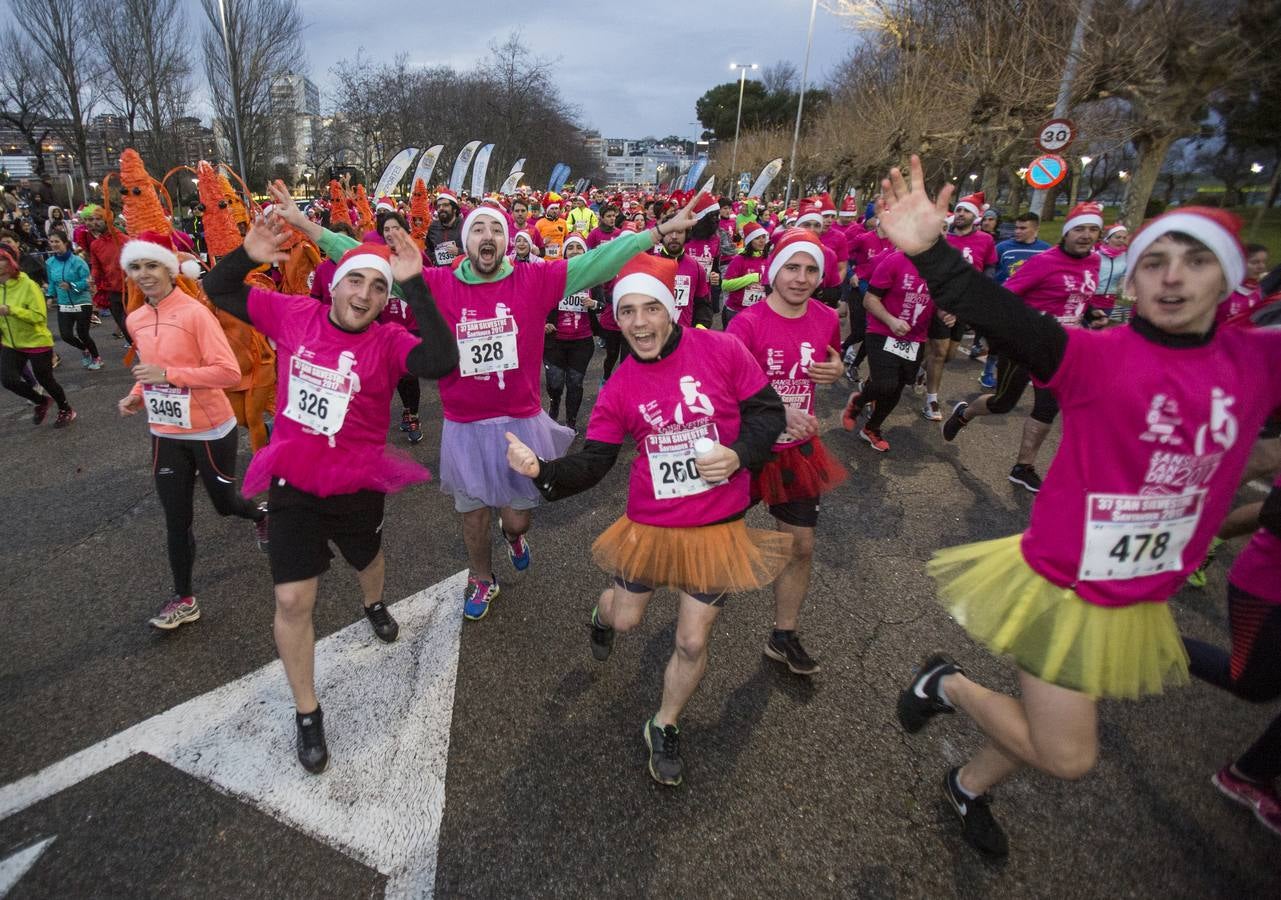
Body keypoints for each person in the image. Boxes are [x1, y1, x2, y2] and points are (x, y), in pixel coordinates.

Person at [881, 155, 1281, 859]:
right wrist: (927, 250)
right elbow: (995, 309)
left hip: (1140, 594)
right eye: (1155, 260)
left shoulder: (1258, 362)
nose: (1172, 276)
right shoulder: (1095, 357)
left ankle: (967, 786)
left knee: (1045, 724)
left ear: (1228, 278)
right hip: (1066, 586)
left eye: (1194, 260)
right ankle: (943, 684)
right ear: (1128, 279)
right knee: (1066, 754)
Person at [284, 182, 707, 620]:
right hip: (465, 425)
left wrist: (656, 232)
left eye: (496, 230)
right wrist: (305, 225)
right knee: (473, 516)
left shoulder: (536, 279)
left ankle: (515, 535)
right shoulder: (436, 283)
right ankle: (482, 579)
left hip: (520, 423)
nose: (487, 236)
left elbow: (598, 262)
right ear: (466, 241)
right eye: (478, 228)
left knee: (517, 517)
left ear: (506, 242)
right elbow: (364, 260)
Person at [505, 252, 790, 785]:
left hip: (716, 526)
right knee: (627, 619)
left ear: (671, 311)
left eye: (650, 309)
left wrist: (739, 454)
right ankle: (602, 615)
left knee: (691, 640)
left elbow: (767, 412)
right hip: (651, 527)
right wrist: (541, 471)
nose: (639, 323)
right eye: (628, 311)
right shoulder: (619, 387)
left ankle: (665, 723)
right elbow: (594, 462)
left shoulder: (722, 349)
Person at [202, 212, 457, 773]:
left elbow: (442, 361)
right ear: (334, 283)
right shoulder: (295, 314)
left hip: (358, 482)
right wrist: (247, 253)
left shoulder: (389, 341)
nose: (363, 294)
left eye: (377, 286)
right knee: (293, 599)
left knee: (366, 558)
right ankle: (308, 712)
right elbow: (217, 288)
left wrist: (414, 284)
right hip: (293, 479)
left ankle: (373, 601)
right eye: (355, 281)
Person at [116, 233, 265, 630]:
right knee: (175, 518)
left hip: (211, 428)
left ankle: (261, 514)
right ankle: (183, 597)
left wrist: (169, 376)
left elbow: (228, 372)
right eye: (135, 267)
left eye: (151, 266)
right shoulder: (135, 318)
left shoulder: (196, 313)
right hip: (165, 431)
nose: (144, 275)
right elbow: (151, 366)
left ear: (168, 268)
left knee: (224, 504)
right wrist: (137, 394)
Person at [726, 229, 846, 673]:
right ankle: (694, 620)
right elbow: (724, 390)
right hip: (748, 449)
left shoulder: (826, 318)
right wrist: (773, 416)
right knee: (717, 540)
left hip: (797, 450)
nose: (801, 278)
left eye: (811, 269)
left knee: (801, 546)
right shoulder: (747, 324)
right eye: (792, 267)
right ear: (774, 270)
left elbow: (829, 362)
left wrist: (835, 371)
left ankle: (784, 635)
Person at [940, 202, 1106, 493]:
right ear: (1066, 232)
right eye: (1079, 228)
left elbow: (1080, 297)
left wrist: (1091, 313)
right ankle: (964, 413)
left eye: (1093, 229)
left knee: (1047, 406)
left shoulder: (1094, 262)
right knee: (1002, 403)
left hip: (1059, 351)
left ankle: (1023, 467)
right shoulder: (1045, 262)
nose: (1086, 235)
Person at [1182, 476, 1281, 838]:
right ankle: (1149, 643)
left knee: (1258, 687)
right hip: (1270, 589)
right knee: (1251, 684)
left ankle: (1250, 773)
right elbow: (1275, 512)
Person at [841, 247, 940, 452]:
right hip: (882, 331)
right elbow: (870, 299)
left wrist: (948, 313)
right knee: (886, 383)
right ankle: (859, 401)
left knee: (896, 388)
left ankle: (871, 429)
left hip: (915, 338)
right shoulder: (895, 260)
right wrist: (891, 320)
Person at [923, 192, 996, 421]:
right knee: (939, 352)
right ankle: (931, 400)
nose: (961, 214)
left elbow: (990, 268)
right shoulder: (943, 238)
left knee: (950, 356)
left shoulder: (985, 240)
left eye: (966, 211)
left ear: (974, 216)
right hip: (941, 303)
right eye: (960, 210)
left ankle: (919, 367)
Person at [0, 243, 74, 425]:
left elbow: (39, 316)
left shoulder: (28, 285)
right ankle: (41, 401)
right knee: (8, 380)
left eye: (2, 260)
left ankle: (65, 409)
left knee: (45, 379)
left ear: (11, 262)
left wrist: (11, 310)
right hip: (12, 342)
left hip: (36, 342)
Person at [985, 212, 1053, 388]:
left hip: (1032, 306)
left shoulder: (1046, 250)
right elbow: (991, 270)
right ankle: (988, 371)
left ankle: (1020, 373)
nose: (1017, 231)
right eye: (1016, 227)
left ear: (1036, 229)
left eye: (1023, 228)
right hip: (1005, 302)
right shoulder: (1002, 247)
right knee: (1000, 341)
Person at [543, 233, 596, 430]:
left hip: (581, 341)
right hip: (554, 340)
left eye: (578, 248)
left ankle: (571, 422)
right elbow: (538, 302)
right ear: (565, 253)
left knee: (575, 383)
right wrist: (542, 323)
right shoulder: (554, 275)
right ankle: (554, 403)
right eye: (570, 248)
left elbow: (604, 304)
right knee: (555, 384)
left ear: (584, 251)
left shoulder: (593, 276)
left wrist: (594, 304)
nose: (575, 252)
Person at [45, 230, 102, 370]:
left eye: (57, 241)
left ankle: (96, 358)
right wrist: (50, 296)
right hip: (63, 304)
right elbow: (52, 282)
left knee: (83, 333)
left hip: (82, 302)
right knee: (66, 335)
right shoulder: (50, 262)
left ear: (65, 243)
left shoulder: (77, 261)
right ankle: (85, 349)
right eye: (51, 242)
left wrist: (72, 285)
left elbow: (88, 281)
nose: (54, 244)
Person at [655, 210, 714, 329]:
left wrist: (700, 327)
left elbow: (703, 304)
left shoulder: (696, 268)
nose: (674, 237)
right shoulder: (649, 264)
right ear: (662, 234)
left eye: (680, 232)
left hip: (684, 337)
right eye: (669, 232)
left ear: (687, 234)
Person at [86, 207, 130, 345]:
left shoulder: (124, 240)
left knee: (132, 326)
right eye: (91, 220)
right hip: (112, 291)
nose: (94, 223)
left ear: (107, 220)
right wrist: (92, 278)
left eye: (98, 219)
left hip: (130, 290)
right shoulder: (95, 245)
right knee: (124, 328)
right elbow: (96, 266)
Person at [720, 221, 770, 328]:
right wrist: (751, 278)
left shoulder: (768, 259)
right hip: (736, 311)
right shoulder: (739, 259)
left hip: (758, 313)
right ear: (750, 241)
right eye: (757, 238)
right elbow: (725, 285)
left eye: (763, 237)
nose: (762, 241)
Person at [427, 190, 463, 267]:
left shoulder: (465, 226)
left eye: (445, 205)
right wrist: (434, 258)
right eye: (439, 206)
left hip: (460, 274)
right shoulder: (433, 227)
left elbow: (475, 251)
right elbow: (429, 249)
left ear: (454, 209)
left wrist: (459, 252)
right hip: (440, 274)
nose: (441, 208)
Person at [535, 193, 570, 259]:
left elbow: (566, 239)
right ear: (547, 210)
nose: (554, 211)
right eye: (552, 209)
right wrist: (543, 242)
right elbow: (534, 242)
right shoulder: (540, 223)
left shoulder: (563, 222)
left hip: (559, 259)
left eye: (556, 208)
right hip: (545, 260)